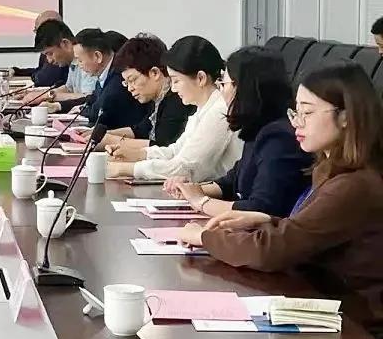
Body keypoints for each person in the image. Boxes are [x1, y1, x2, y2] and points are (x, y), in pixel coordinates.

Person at [179, 62, 383, 327]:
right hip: (323, 306)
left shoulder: (354, 186)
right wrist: (268, 221)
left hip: (355, 326)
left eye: (307, 112)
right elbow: (311, 232)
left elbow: (272, 250)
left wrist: (204, 237)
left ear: (346, 117)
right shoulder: (328, 170)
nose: (297, 122)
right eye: (295, 112)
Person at [167, 47, 312, 218]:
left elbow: (260, 208)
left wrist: (201, 202)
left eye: (224, 84)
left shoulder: (278, 138)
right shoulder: (258, 129)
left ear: (243, 88)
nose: (221, 91)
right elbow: (231, 182)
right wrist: (192, 189)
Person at [107, 36, 241, 181]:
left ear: (201, 78)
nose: (173, 89)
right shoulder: (203, 108)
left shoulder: (219, 110)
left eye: (176, 81)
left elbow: (185, 169)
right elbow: (176, 151)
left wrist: (126, 169)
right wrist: (138, 154)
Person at [100, 34, 193, 150]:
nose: (130, 88)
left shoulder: (177, 99)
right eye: (126, 83)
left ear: (155, 73)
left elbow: (163, 147)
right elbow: (140, 130)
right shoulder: (157, 98)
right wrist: (102, 134)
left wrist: (110, 141)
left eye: (132, 80)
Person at [52, 28, 149, 130]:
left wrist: (81, 110)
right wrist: (60, 105)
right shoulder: (105, 72)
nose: (79, 66)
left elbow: (98, 111)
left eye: (80, 60)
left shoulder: (118, 75)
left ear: (98, 56)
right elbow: (92, 99)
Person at [31, 19, 98, 101]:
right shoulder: (72, 63)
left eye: (50, 53)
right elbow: (68, 89)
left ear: (65, 44)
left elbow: (87, 97)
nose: (49, 60)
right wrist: (39, 95)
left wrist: (48, 97)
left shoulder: (86, 60)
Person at [16, 10, 70, 87]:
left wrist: (35, 76)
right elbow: (40, 70)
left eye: (39, 30)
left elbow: (44, 79)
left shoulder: (60, 53)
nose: (49, 60)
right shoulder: (53, 49)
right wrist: (17, 71)